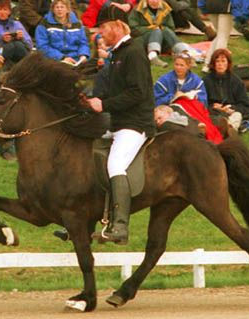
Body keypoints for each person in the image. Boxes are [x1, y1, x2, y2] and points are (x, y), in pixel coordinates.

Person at [87, 6, 156, 244]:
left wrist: (103, 104)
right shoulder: (118, 54)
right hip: (119, 122)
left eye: (104, 28)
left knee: (115, 164)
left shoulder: (134, 52)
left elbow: (137, 93)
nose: (101, 33)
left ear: (117, 26)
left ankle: (120, 227)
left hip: (135, 123)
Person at [154, 52, 223, 143]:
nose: (178, 67)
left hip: (192, 108)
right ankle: (195, 128)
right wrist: (173, 97)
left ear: (188, 66)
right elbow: (156, 100)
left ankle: (200, 128)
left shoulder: (196, 80)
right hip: (171, 109)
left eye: (182, 65)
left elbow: (203, 101)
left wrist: (192, 96)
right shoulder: (164, 80)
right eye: (176, 64)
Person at [128, 0, 193, 68]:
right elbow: (133, 29)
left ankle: (184, 54)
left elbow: (171, 27)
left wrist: (161, 29)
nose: (155, 1)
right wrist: (152, 28)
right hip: (142, 41)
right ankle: (152, 56)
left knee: (165, 30)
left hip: (162, 42)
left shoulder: (165, 8)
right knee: (156, 30)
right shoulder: (137, 9)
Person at [203, 48, 249, 132]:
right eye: (217, 61)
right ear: (213, 64)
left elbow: (245, 105)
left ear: (228, 63)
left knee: (237, 115)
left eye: (223, 61)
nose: (220, 64)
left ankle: (229, 129)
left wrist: (232, 108)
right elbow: (202, 102)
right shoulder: (206, 81)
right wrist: (213, 107)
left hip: (231, 113)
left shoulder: (236, 81)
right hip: (213, 112)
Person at [198, 0, 249, 73]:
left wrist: (202, 7)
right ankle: (215, 64)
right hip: (225, 6)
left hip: (210, 5)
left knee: (220, 35)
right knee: (222, 36)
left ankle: (207, 64)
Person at [35, 0, 91, 65]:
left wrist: (83, 54)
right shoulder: (44, 24)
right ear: (53, 10)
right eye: (57, 7)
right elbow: (42, 46)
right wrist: (62, 57)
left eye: (62, 7)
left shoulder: (76, 24)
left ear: (67, 10)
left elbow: (83, 43)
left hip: (76, 59)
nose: (59, 9)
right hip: (54, 59)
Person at [0, 0, 33, 66]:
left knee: (18, 45)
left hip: (19, 54)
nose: (2, 12)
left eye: (5, 9)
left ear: (9, 11)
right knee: (14, 45)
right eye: (0, 9)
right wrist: (1, 40)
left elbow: (29, 45)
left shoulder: (16, 24)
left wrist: (21, 38)